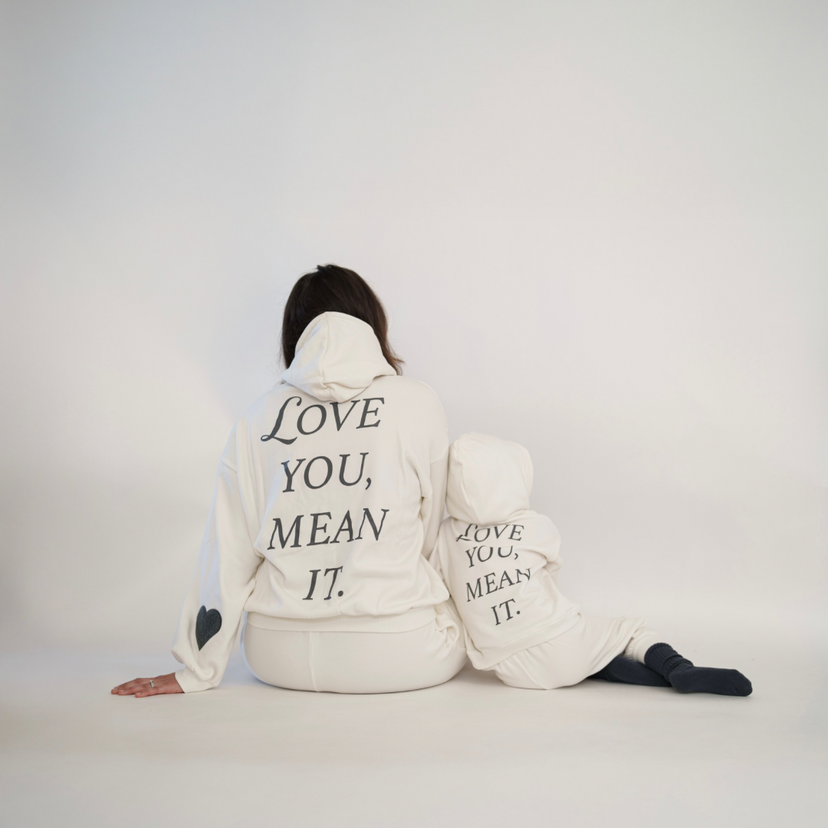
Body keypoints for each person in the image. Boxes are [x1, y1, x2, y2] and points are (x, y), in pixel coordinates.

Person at [112, 265, 466, 697]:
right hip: (395, 653)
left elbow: (229, 548)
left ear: (294, 333)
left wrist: (197, 668)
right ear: (372, 324)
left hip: (275, 655)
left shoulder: (257, 416)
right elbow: (427, 533)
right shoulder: (417, 402)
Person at [432, 432, 753, 695]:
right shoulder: (535, 524)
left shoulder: (445, 535)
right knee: (629, 630)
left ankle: (603, 666)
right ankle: (678, 670)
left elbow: (442, 586)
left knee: (586, 652)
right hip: (560, 642)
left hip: (506, 667)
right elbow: (550, 575)